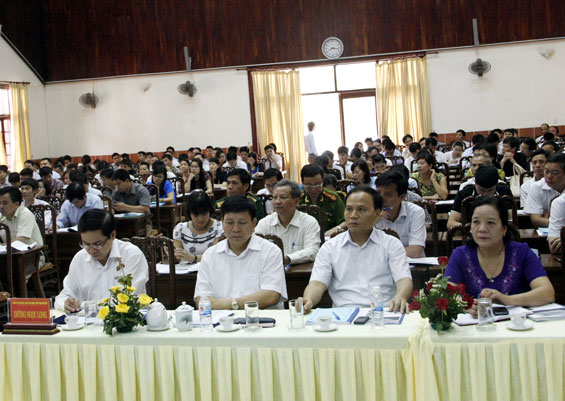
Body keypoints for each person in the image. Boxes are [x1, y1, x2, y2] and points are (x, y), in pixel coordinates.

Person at [300, 186, 412, 312]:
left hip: (383, 313)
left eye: (361, 209)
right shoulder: (330, 247)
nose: (353, 215)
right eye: (349, 209)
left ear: (377, 214)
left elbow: (403, 279)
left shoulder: (391, 244)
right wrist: (308, 299)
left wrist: (400, 297)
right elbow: (317, 283)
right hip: (344, 314)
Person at [444, 196, 555, 306]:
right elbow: (445, 294)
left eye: (491, 223)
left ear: (504, 229)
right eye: (476, 222)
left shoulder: (522, 252)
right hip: (476, 317)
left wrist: (506, 300)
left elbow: (547, 293)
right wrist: (464, 305)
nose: (482, 229)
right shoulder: (460, 255)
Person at [194, 196, 287, 310]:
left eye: (242, 223)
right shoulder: (210, 255)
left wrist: (231, 304)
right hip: (221, 320)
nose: (236, 229)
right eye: (230, 223)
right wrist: (232, 305)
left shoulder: (271, 251)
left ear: (254, 223)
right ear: (222, 222)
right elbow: (201, 299)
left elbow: (271, 296)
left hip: (262, 319)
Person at [54, 209, 149, 313]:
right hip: (89, 321)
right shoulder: (80, 258)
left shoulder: (131, 255)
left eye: (97, 244)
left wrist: (82, 305)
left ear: (112, 235)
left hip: (125, 319)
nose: (91, 250)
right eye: (86, 244)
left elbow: (125, 301)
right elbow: (64, 295)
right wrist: (66, 303)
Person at [255, 180, 321, 266]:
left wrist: (287, 259)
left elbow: (313, 251)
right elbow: (255, 249)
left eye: (283, 197)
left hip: (300, 272)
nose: (277, 201)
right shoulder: (264, 223)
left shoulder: (309, 222)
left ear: (296, 201)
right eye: (274, 197)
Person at [375, 170, 426, 257]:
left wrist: (383, 255)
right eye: (378, 193)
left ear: (402, 197)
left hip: (411, 264)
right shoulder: (372, 213)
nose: (381, 199)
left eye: (388, 195)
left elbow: (415, 251)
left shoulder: (416, 212)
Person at [447, 166, 513, 230]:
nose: (486, 195)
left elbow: (511, 221)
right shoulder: (464, 194)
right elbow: (450, 223)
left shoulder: (505, 192)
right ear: (475, 183)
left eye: (490, 190)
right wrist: (473, 228)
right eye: (481, 190)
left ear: (496, 184)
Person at [173, 191, 223, 264]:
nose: (200, 219)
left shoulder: (219, 228)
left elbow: (214, 256)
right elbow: (177, 260)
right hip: (186, 270)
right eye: (196, 215)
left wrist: (191, 258)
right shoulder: (180, 229)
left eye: (204, 214)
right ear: (189, 213)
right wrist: (172, 255)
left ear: (210, 210)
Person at [299, 164, 345, 236]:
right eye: (308, 185)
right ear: (302, 182)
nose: (313, 189)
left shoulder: (333, 198)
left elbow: (345, 222)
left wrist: (336, 229)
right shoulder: (297, 200)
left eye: (317, 185)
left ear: (322, 181)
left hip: (329, 239)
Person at [523, 153, 565, 228]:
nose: (549, 176)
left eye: (555, 173)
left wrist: (549, 218)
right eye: (546, 172)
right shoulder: (536, 187)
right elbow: (536, 221)